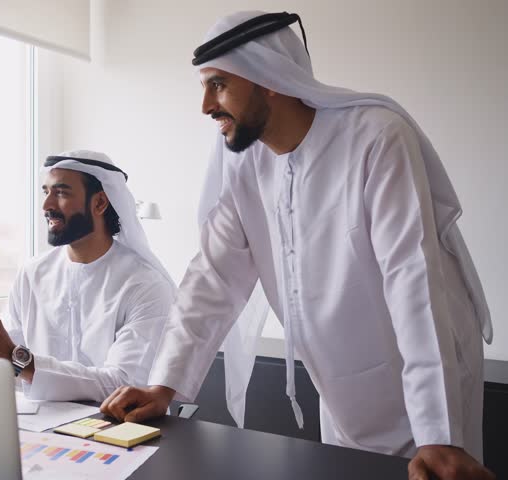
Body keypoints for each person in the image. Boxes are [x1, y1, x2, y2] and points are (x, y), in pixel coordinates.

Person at [99, 11, 494, 480]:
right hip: (341, 391)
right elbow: (213, 277)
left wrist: (438, 433)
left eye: (219, 84)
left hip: (426, 389)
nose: (206, 105)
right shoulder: (245, 166)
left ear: (269, 78)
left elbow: (413, 278)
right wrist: (164, 385)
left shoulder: (376, 137)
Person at [0, 150, 175, 402]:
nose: (47, 206)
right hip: (40, 425)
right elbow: (10, 356)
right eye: (46, 192)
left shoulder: (145, 285)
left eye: (61, 193)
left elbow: (122, 383)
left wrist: (17, 359)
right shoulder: (32, 273)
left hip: (119, 429)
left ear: (100, 203)